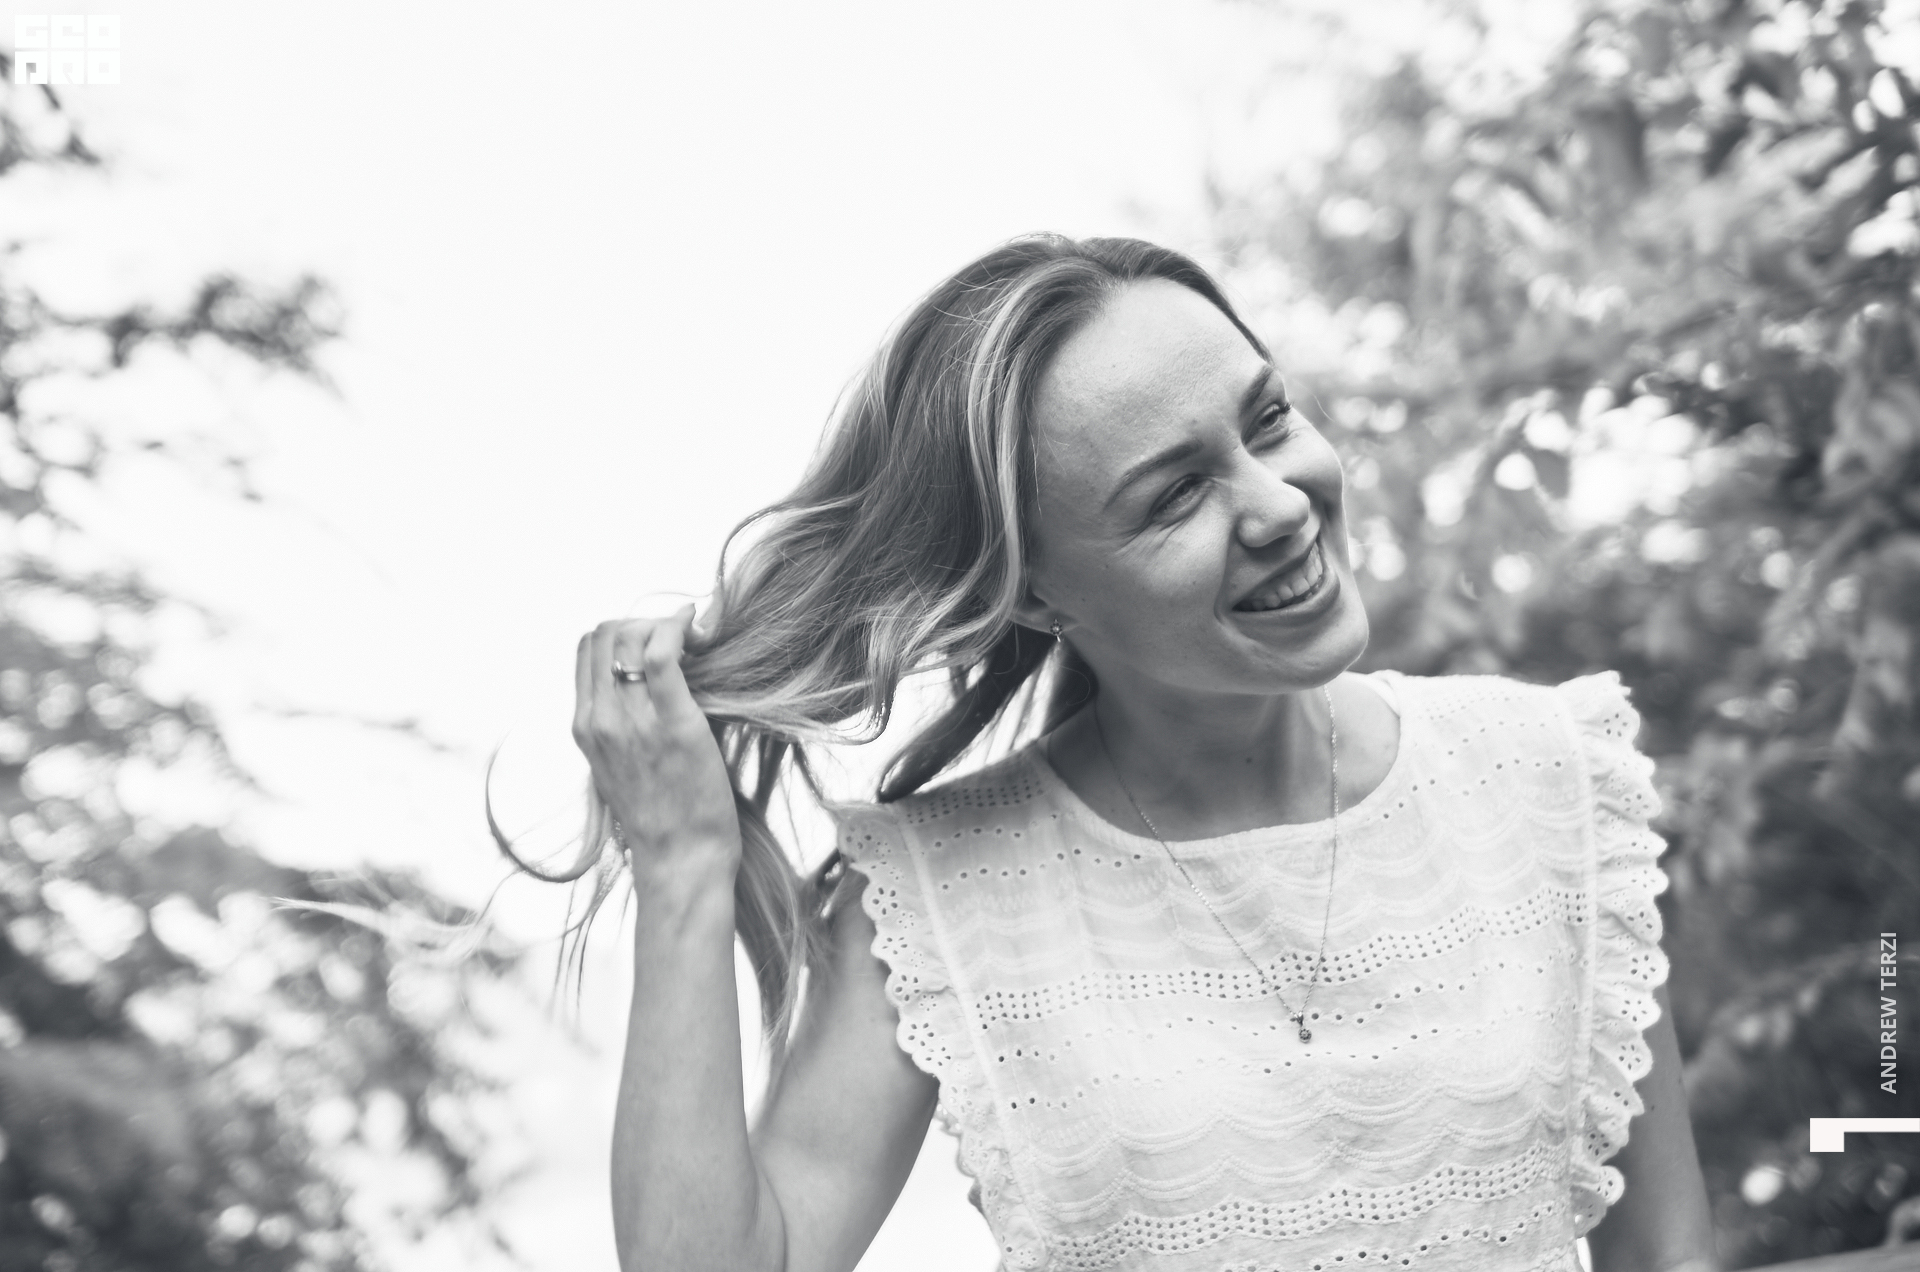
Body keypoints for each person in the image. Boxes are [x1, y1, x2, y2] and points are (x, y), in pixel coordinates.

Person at [551, 235, 1720, 1272]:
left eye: (1269, 420)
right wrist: (684, 867)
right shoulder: (937, 899)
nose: (1280, 505)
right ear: (1034, 590)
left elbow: (1666, 1254)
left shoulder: (1550, 777)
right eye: (1175, 496)